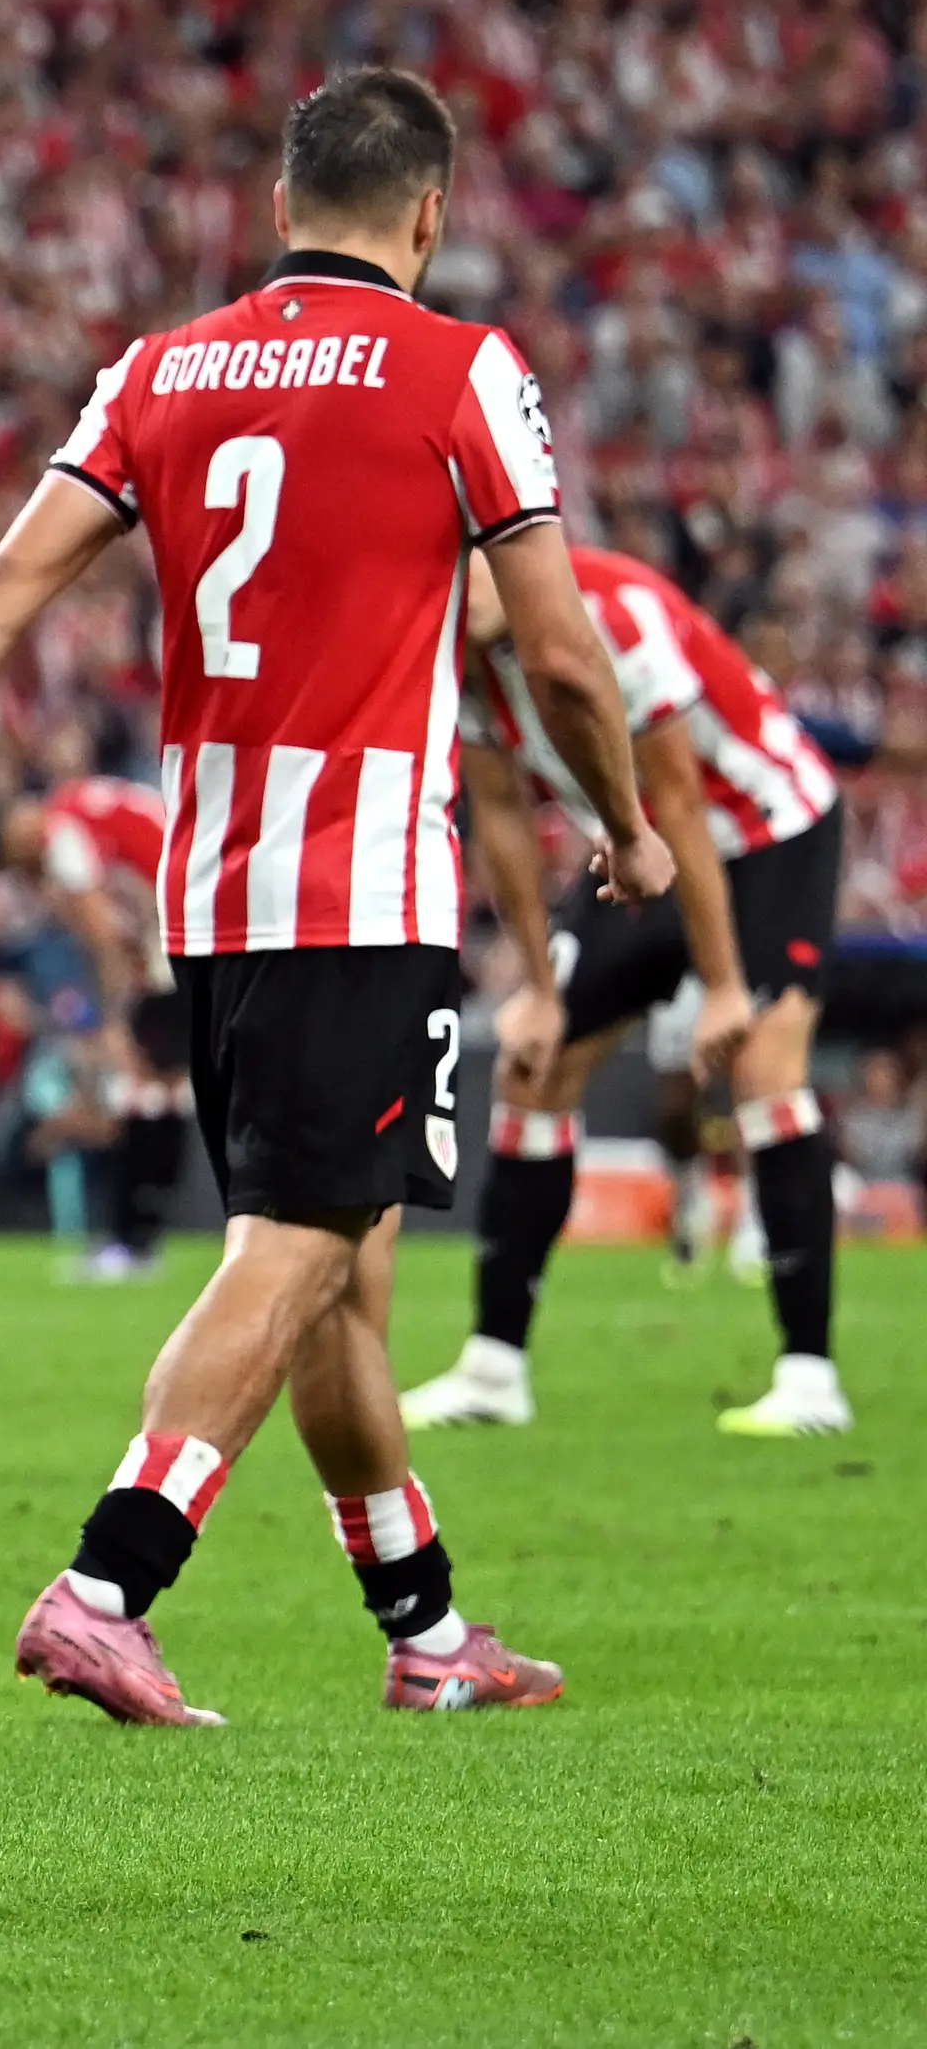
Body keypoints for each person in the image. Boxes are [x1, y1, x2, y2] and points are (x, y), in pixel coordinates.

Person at [0, 65, 670, 1725]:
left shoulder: (162, 370)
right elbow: (559, 648)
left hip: (210, 898)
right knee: (298, 1248)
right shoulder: (462, 370)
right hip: (364, 880)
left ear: (281, 208)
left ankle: (426, 1636)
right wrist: (623, 819)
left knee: (334, 1263)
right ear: (432, 214)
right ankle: (106, 1581)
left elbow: (7, 581)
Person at [402, 545, 854, 1437]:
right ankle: (495, 1367)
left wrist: (724, 988)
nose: (458, 589)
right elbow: (497, 813)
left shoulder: (617, 617)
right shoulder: (462, 653)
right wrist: (537, 985)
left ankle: (811, 1377)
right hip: (636, 844)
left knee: (764, 1064)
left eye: (472, 565)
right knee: (535, 1071)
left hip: (764, 831)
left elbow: (682, 800)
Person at [0, 778, 190, 1279]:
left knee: (143, 1082)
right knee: (167, 1087)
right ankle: (141, 1238)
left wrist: (116, 1019)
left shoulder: (62, 834)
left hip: (179, 929)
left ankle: (133, 1243)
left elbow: (103, 936)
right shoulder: (79, 803)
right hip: (192, 911)